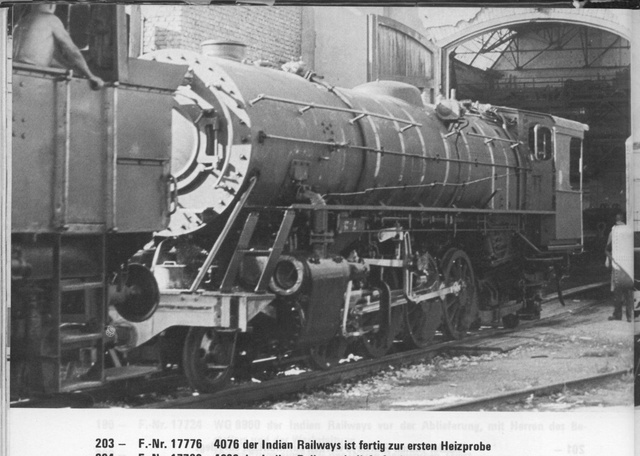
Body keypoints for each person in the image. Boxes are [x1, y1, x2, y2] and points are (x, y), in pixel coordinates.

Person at [13, 4, 104, 89]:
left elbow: (51, 57)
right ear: (51, 5)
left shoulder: (22, 21)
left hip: (16, 72)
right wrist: (90, 75)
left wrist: (77, 71)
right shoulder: (51, 19)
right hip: (33, 75)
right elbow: (72, 50)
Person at [605, 213, 633, 321]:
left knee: (617, 291)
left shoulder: (613, 232)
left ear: (616, 220)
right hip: (628, 264)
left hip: (617, 265)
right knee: (629, 291)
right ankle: (629, 316)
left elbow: (607, 248)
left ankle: (618, 315)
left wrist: (610, 259)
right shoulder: (630, 231)